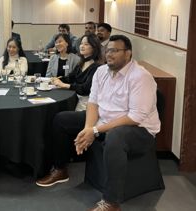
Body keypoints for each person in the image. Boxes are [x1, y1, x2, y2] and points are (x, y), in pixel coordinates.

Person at [36, 35, 160, 211]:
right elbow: (93, 103)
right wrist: (88, 128)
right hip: (104, 121)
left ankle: (111, 202)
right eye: (107, 50)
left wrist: (95, 130)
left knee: (116, 137)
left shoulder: (140, 77)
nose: (109, 54)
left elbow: (135, 117)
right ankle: (60, 169)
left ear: (128, 54)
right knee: (62, 119)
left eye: (115, 51)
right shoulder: (101, 72)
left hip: (138, 130)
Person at [51, 34, 101, 111]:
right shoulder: (82, 62)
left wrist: (65, 85)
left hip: (87, 104)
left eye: (86, 44)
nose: (82, 46)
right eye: (81, 43)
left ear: (94, 47)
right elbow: (70, 77)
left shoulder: (96, 67)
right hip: (76, 98)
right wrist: (58, 79)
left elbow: (85, 89)